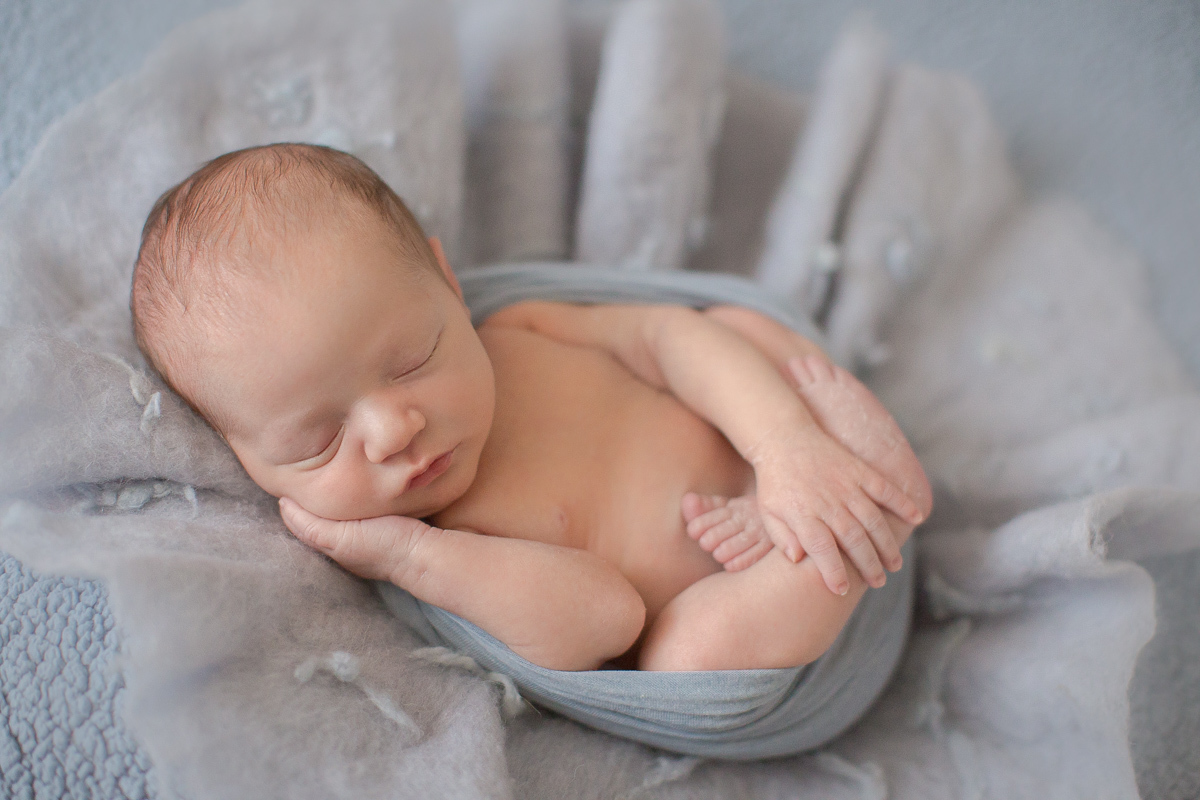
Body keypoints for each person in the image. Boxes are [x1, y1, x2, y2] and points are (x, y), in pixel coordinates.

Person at [131, 143, 931, 673]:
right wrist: (413, 560)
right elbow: (607, 621)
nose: (392, 431)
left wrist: (782, 447)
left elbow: (663, 334)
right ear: (241, 458)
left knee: (724, 331)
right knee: (690, 656)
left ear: (446, 282)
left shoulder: (523, 330)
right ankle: (875, 517)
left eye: (413, 361)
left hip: (770, 446)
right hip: (755, 596)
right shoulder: (454, 548)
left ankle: (827, 463)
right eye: (316, 441)